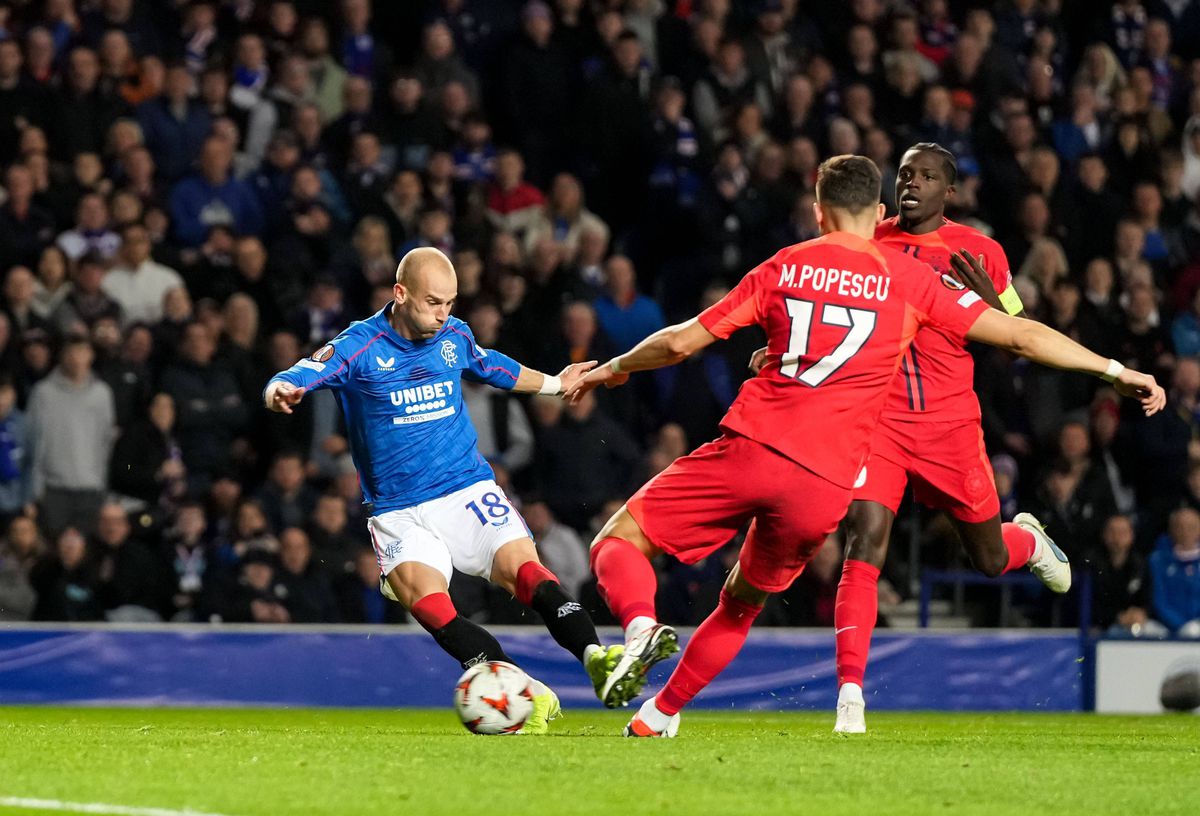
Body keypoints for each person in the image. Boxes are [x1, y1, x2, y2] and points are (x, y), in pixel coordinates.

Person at [566, 154, 1164, 737]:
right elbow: (1021, 335)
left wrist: (613, 368)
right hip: (827, 481)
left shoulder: (785, 265)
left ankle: (641, 628)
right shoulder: (906, 278)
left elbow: (677, 345)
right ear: (876, 208)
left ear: (819, 212)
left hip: (770, 445)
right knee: (751, 598)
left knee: (620, 540)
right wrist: (1116, 370)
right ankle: (662, 714)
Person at [757, 143, 1080, 732]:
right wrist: (783, 350)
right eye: (905, 174)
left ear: (948, 192)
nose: (913, 184)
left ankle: (1029, 544)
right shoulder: (867, 240)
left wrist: (997, 301)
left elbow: (1021, 336)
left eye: (927, 176)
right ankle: (850, 695)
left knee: (988, 557)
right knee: (865, 538)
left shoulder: (980, 251)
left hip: (950, 427)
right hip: (876, 419)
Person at [263, 246, 622, 733]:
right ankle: (517, 691)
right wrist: (280, 388)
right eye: (433, 301)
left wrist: (556, 385)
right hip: (398, 509)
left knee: (529, 574)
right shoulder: (361, 345)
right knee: (431, 605)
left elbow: (491, 365)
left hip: (465, 488)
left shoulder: (453, 335)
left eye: (451, 303)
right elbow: (308, 369)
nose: (443, 313)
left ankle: (598, 657)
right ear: (400, 293)